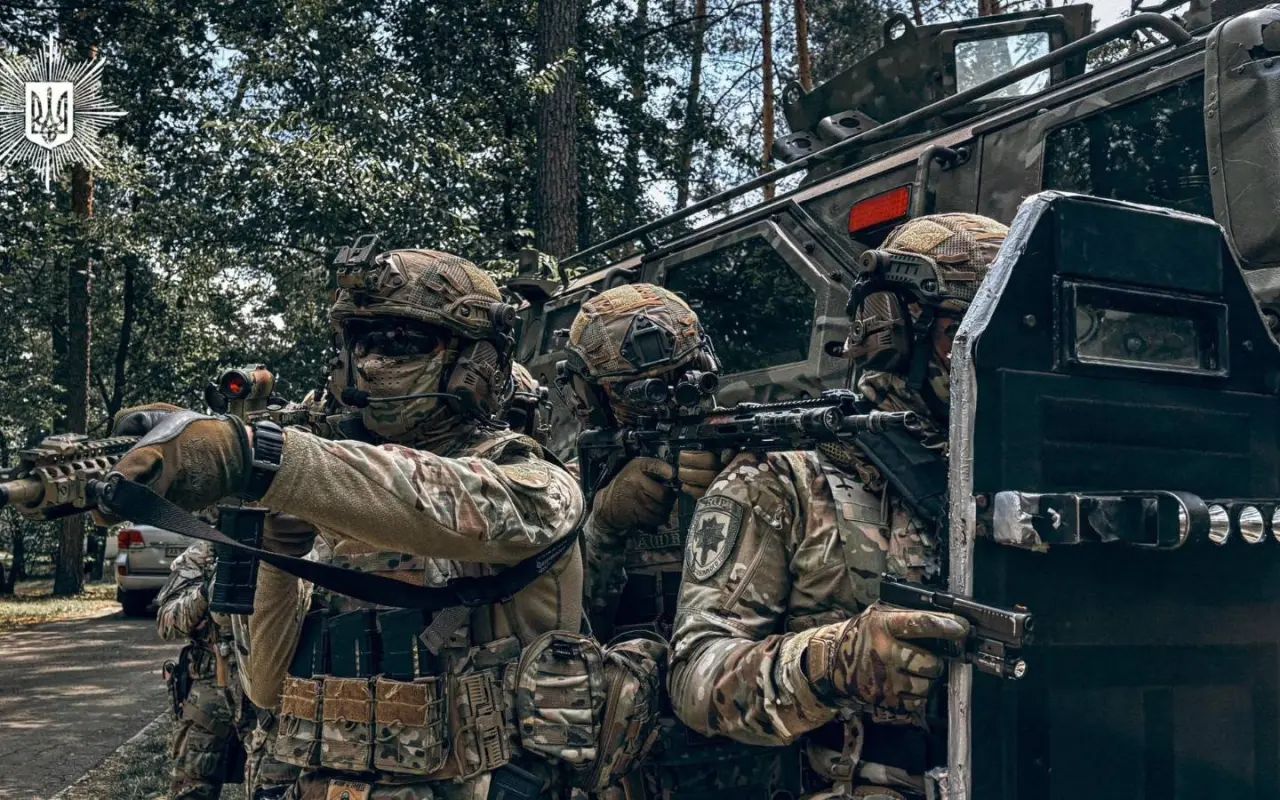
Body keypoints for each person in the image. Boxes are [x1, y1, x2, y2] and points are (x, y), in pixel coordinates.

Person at [105, 248, 585, 799]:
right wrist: (279, 555)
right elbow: (263, 688)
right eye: (362, 343)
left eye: (402, 342)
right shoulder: (330, 488)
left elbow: (439, 502)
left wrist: (260, 457)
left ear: (474, 362)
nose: (373, 364)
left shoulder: (533, 480)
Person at [668, 213, 1009, 800]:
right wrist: (830, 662)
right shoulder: (786, 478)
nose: (987, 359)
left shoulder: (1027, 478)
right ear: (892, 333)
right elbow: (695, 678)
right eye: (961, 334)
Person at [560, 283, 786, 798]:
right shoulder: (573, 485)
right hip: (625, 750)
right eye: (641, 393)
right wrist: (604, 525)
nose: (672, 400)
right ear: (593, 398)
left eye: (685, 378)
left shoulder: (757, 456)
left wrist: (743, 489)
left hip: (744, 731)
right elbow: (564, 631)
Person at [156, 537, 253, 800]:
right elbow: (166, 623)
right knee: (192, 788)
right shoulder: (204, 555)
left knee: (275, 787)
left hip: (271, 689)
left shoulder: (295, 546)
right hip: (211, 687)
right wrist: (205, 594)